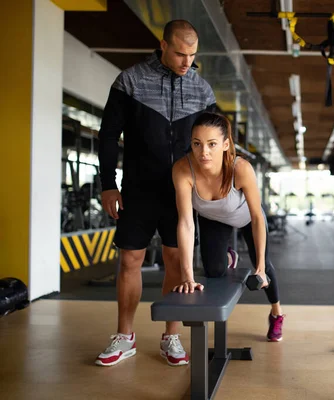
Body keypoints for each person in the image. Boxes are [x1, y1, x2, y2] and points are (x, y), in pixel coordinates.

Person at [95, 20, 227, 367]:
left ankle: (171, 336)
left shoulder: (201, 89)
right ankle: (125, 336)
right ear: (163, 45)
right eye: (181, 54)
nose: (187, 62)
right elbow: (108, 135)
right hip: (138, 188)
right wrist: (108, 183)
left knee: (175, 260)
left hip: (181, 191)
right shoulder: (131, 80)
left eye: (193, 55)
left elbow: (216, 145)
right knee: (129, 260)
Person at [171, 112, 285, 342]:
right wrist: (187, 276)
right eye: (197, 144)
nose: (204, 152)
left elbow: (257, 217)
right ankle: (228, 257)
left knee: (266, 267)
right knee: (214, 272)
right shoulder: (183, 170)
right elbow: (185, 222)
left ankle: (276, 313)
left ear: (225, 144)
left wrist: (260, 268)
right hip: (212, 219)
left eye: (212, 144)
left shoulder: (240, 168)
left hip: (246, 218)